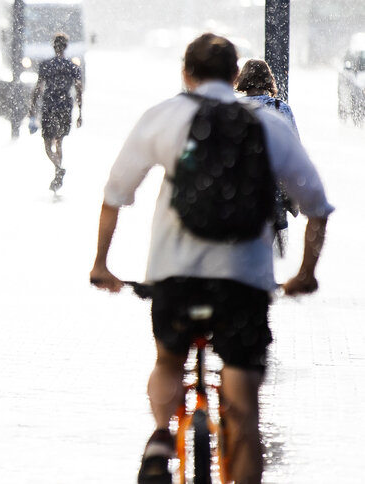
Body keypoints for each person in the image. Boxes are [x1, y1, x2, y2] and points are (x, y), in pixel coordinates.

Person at [89, 34, 333, 483]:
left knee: (168, 360)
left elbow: (114, 196)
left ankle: (161, 436)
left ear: (186, 73)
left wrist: (101, 264)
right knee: (243, 406)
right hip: (243, 281)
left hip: (174, 276)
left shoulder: (164, 117)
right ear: (235, 75)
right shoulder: (269, 123)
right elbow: (316, 208)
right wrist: (304, 274)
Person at [236, 58, 300, 251]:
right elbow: (295, 154)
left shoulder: (232, 110)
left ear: (242, 80)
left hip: (239, 192)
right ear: (269, 80)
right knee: (275, 253)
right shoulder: (282, 109)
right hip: (274, 194)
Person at [28, 32, 83, 192]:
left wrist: (32, 106)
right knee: (59, 141)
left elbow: (38, 88)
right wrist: (80, 112)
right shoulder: (72, 67)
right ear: (66, 47)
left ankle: (57, 167)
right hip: (65, 105)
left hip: (50, 105)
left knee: (47, 143)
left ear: (54, 47)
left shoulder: (46, 65)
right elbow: (78, 90)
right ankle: (57, 170)